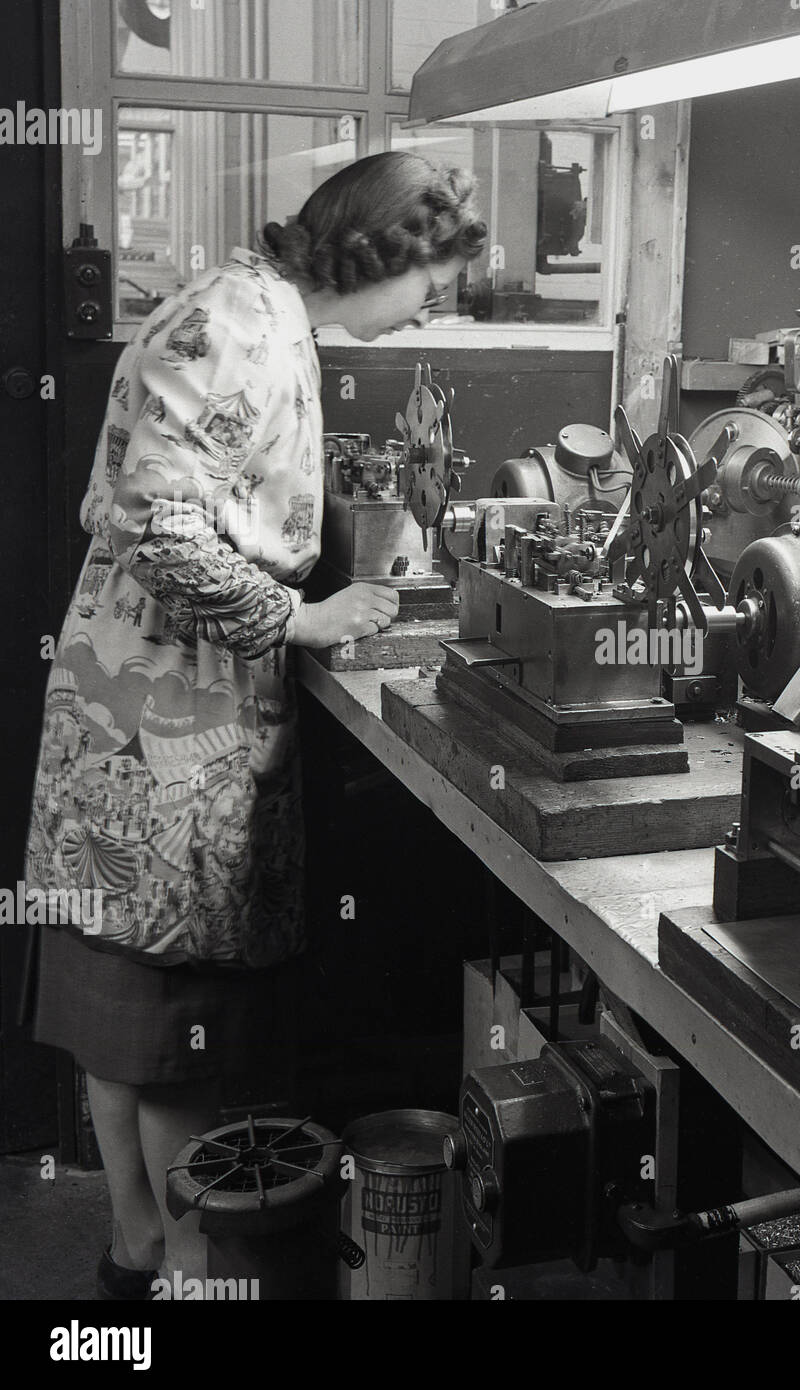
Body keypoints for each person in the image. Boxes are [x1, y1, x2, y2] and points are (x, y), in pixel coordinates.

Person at [25, 152, 487, 1298]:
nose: (434, 303)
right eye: (433, 277)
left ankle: (136, 1255)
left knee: (124, 1007)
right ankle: (193, 1270)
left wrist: (338, 545)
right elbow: (159, 527)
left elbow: (207, 486)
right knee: (178, 1021)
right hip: (171, 726)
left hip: (127, 707)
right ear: (383, 251)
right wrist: (306, 611)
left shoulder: (248, 303)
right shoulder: (245, 321)